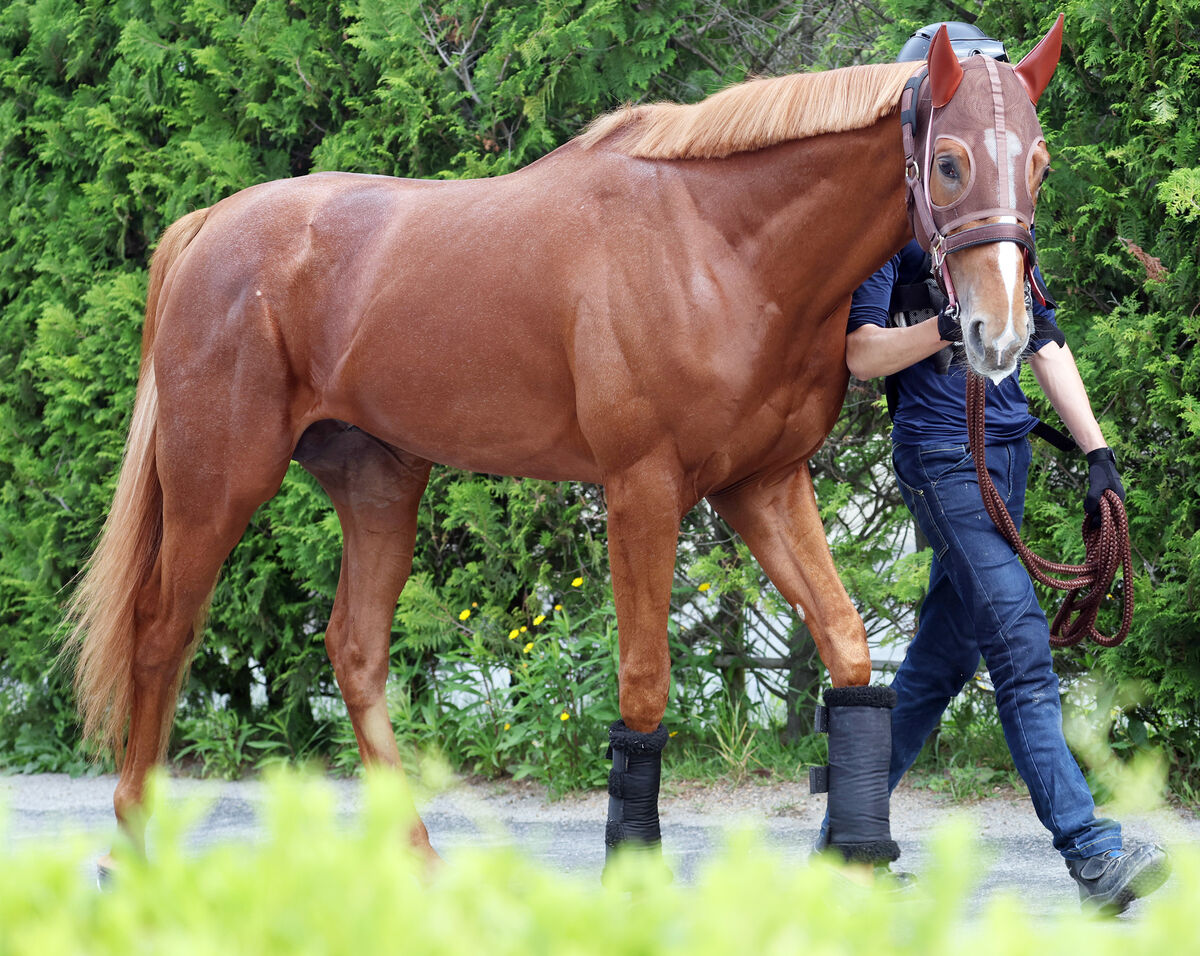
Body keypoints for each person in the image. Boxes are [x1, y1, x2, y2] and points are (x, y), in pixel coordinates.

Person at [843, 22, 1169, 915]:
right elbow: (862, 354)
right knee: (1021, 649)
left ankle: (846, 835)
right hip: (940, 458)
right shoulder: (894, 236)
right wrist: (945, 331)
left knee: (942, 659)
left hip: (1009, 452)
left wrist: (1098, 454)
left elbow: (1048, 341)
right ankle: (1092, 853)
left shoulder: (993, 233)